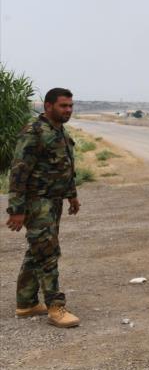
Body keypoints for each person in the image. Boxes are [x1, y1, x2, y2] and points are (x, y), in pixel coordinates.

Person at [6, 87, 81, 328]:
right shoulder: (34, 132)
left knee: (37, 250)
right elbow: (18, 172)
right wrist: (16, 210)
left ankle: (26, 303)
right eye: (63, 106)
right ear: (48, 106)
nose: (68, 110)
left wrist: (72, 196)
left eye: (70, 106)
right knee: (48, 253)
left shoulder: (59, 131)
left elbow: (64, 167)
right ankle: (55, 307)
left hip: (54, 201)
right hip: (37, 202)